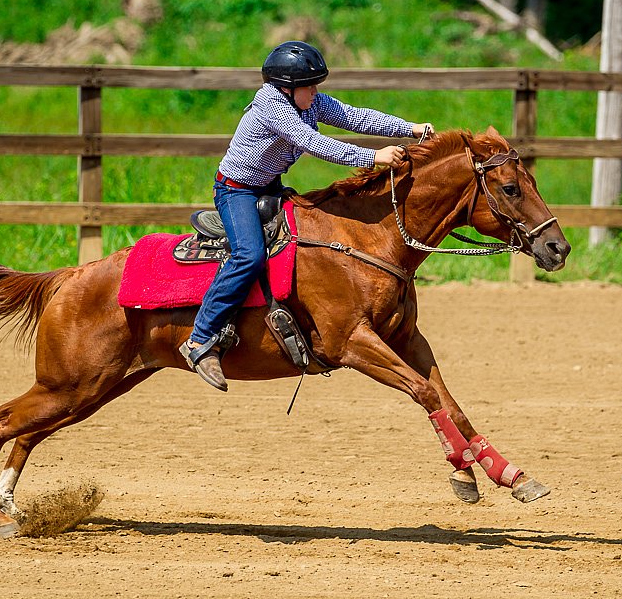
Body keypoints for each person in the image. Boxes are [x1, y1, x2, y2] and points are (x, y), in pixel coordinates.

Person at [181, 40, 433, 391]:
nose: (316, 92)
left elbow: (355, 116)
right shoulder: (273, 107)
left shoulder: (307, 102)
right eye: (310, 86)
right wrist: (373, 158)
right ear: (287, 87)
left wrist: (409, 128)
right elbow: (314, 143)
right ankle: (200, 337)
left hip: (269, 186)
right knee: (249, 255)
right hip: (236, 190)